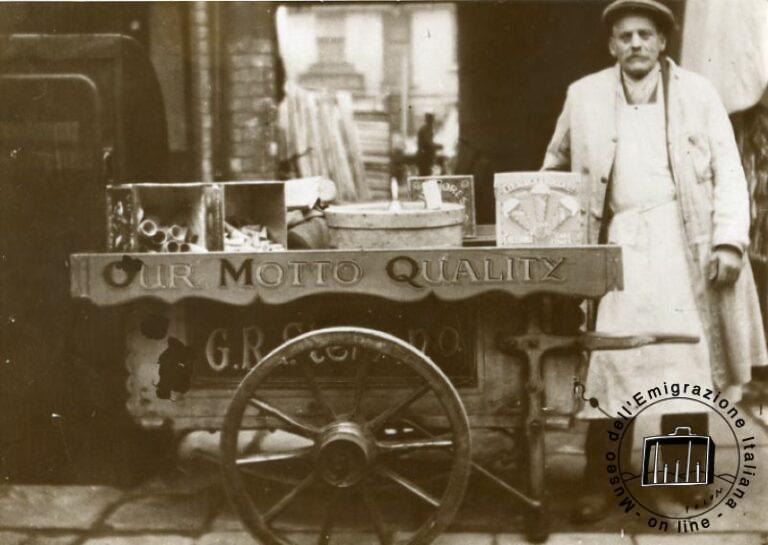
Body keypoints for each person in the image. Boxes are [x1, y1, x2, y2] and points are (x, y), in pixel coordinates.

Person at [541, 0, 767, 522]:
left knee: (682, 359)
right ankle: (600, 480)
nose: (636, 44)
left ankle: (683, 476)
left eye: (646, 35)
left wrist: (729, 241)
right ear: (612, 45)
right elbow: (554, 166)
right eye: (626, 36)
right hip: (617, 244)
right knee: (611, 362)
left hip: (682, 242)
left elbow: (730, 173)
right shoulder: (584, 95)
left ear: (664, 42)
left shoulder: (699, 93)